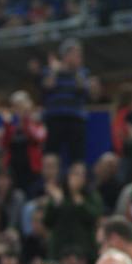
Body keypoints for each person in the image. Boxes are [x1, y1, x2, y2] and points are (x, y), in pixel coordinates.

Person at [40, 38, 89, 167]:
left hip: (75, 119)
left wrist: (76, 71)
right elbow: (47, 87)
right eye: (75, 54)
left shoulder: (82, 72)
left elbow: (82, 89)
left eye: (80, 55)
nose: (79, 58)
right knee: (51, 154)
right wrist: (54, 70)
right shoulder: (50, 70)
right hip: (55, 119)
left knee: (77, 156)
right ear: (65, 55)